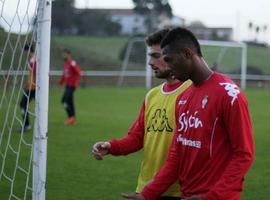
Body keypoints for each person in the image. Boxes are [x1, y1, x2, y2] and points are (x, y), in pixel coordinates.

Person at [124, 28, 255, 200]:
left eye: (169, 60)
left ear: (187, 53)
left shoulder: (229, 95)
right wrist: (148, 194)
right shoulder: (183, 98)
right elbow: (176, 156)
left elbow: (243, 155)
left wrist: (211, 197)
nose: (168, 67)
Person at [92, 29, 192, 200]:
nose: (150, 62)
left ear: (173, 55)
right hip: (146, 188)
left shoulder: (192, 93)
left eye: (156, 56)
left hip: (179, 192)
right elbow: (137, 138)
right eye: (150, 56)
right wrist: (111, 146)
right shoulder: (152, 95)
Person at [58, 49, 81, 125]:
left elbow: (78, 72)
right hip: (68, 86)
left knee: (64, 101)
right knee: (70, 102)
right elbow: (64, 75)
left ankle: (70, 117)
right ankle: (72, 118)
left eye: (64, 54)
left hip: (71, 86)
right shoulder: (66, 65)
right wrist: (60, 83)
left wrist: (74, 83)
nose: (63, 56)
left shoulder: (72, 63)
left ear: (68, 54)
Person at [19, 43, 36, 132]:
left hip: (33, 88)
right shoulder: (33, 60)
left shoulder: (33, 60)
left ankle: (27, 125)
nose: (25, 54)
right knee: (23, 104)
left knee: (22, 104)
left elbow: (36, 74)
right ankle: (27, 125)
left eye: (25, 51)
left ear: (28, 51)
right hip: (31, 86)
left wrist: (32, 84)